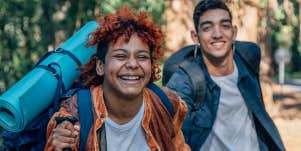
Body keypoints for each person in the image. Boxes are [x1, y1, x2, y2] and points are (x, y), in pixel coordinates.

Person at [44, 6, 190, 151]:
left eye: (142, 57)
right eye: (120, 56)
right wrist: (57, 146)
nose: (133, 64)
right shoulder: (74, 114)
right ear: (100, 66)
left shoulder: (165, 104)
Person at [166, 0, 285, 151]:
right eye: (207, 28)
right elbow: (172, 132)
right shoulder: (186, 79)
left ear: (234, 32)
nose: (217, 34)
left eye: (224, 26)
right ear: (195, 37)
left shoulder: (248, 58)